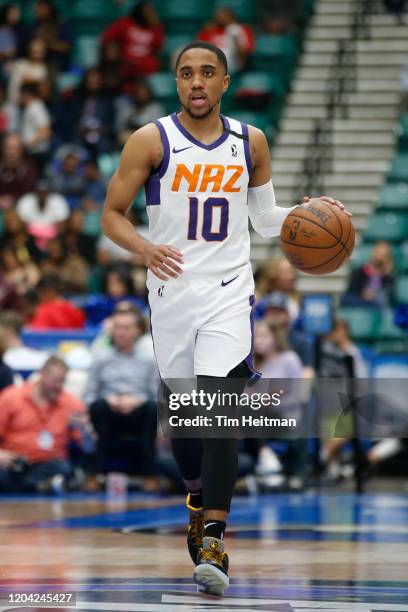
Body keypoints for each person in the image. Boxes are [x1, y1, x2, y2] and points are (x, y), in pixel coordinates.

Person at [100, 40, 351, 595]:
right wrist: (142, 249)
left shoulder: (249, 141)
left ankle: (213, 536)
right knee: (185, 424)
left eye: (207, 72)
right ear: (177, 81)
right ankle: (195, 498)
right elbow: (111, 214)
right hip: (170, 292)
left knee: (219, 414)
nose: (196, 81)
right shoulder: (151, 140)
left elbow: (264, 220)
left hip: (229, 292)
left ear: (225, 82)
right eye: (186, 72)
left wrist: (318, 214)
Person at [84, 307, 158, 490]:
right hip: (109, 410)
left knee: (152, 409)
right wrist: (109, 400)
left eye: (126, 328)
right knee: (98, 407)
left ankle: (150, 475)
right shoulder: (100, 358)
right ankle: (95, 473)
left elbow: (157, 395)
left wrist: (136, 401)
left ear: (137, 330)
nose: (121, 332)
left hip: (138, 411)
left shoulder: (150, 359)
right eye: (117, 327)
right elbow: (89, 394)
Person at [0, 355, 89, 493]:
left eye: (63, 381)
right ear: (42, 374)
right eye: (55, 381)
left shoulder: (71, 403)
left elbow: (89, 449)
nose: (58, 386)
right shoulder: (12, 397)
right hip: (14, 462)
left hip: (49, 463)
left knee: (63, 468)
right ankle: (39, 486)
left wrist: (84, 430)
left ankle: (27, 486)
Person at [197, 7, 255, 74]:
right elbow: (199, 50)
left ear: (231, 16)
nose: (219, 17)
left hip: (236, 68)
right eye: (218, 16)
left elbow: (246, 53)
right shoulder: (210, 31)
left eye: (223, 15)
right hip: (211, 68)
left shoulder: (242, 30)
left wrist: (235, 39)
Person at [342, 240, 395, 308]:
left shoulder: (388, 277)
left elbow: (389, 296)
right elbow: (351, 290)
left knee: (379, 303)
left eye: (384, 254)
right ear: (373, 253)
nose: (380, 257)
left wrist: (387, 274)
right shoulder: (360, 272)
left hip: (376, 303)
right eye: (378, 253)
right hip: (360, 300)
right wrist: (363, 293)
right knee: (346, 299)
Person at [0, 133, 38, 208]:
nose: (12, 152)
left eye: (15, 148)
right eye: (8, 148)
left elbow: (29, 191)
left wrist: (12, 199)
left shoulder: (29, 168)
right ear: (3, 149)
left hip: (20, 206)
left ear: (21, 149)